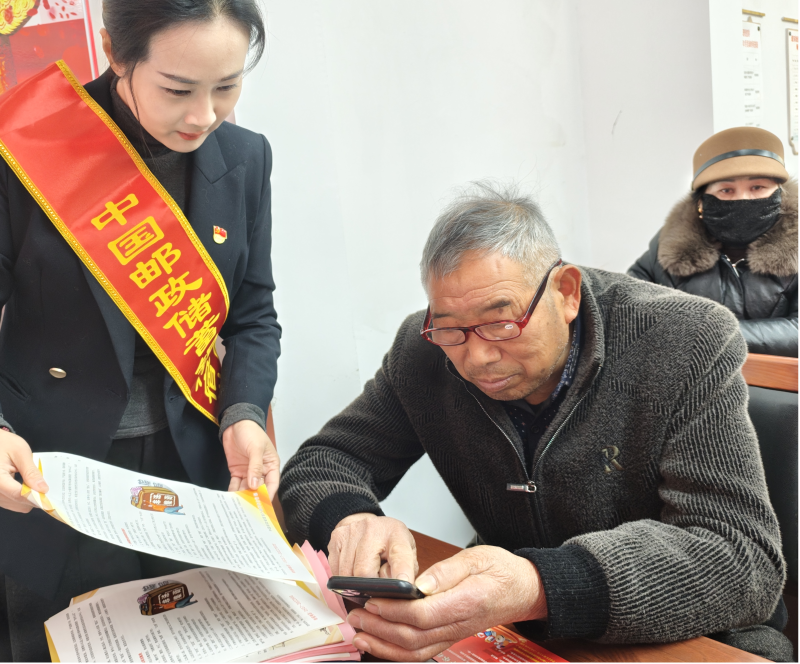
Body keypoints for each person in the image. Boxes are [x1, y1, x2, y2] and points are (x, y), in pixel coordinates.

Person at [0, 0, 280, 660]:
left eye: (228, 87)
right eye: (177, 89)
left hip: (194, 475)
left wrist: (242, 412)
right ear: (115, 51)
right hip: (56, 476)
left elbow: (254, 315)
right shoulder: (26, 149)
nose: (204, 115)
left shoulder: (246, 158)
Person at [278, 185, 793, 663]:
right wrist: (350, 520)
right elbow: (325, 462)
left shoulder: (685, 338)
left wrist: (541, 584)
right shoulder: (425, 349)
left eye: (501, 323)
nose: (478, 357)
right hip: (511, 628)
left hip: (695, 635)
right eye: (452, 330)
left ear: (566, 293)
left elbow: (741, 557)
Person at [629, 127, 798, 357]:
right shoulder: (668, 247)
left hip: (778, 379)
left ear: (780, 193)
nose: (743, 199)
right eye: (726, 190)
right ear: (701, 202)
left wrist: (710, 334)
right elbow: (631, 312)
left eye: (757, 187)